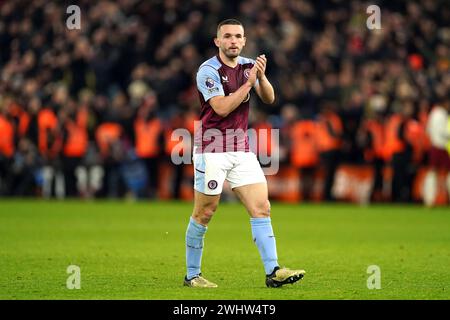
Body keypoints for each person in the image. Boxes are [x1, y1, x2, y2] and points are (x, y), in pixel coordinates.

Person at [183, 19, 305, 288]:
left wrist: (261, 77)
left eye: (238, 36)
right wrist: (249, 83)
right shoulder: (208, 70)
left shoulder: (250, 66)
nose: (233, 41)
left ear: (245, 40)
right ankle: (192, 275)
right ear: (218, 42)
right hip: (211, 148)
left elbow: (270, 98)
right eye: (227, 36)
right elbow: (222, 109)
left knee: (261, 208)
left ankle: (273, 271)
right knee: (205, 212)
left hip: (241, 147)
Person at [423, 98, 450, 207]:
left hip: (433, 146)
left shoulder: (433, 113)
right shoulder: (443, 114)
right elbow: (445, 132)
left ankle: (429, 199)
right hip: (442, 147)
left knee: (432, 172)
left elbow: (428, 130)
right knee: (446, 173)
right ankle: (444, 197)